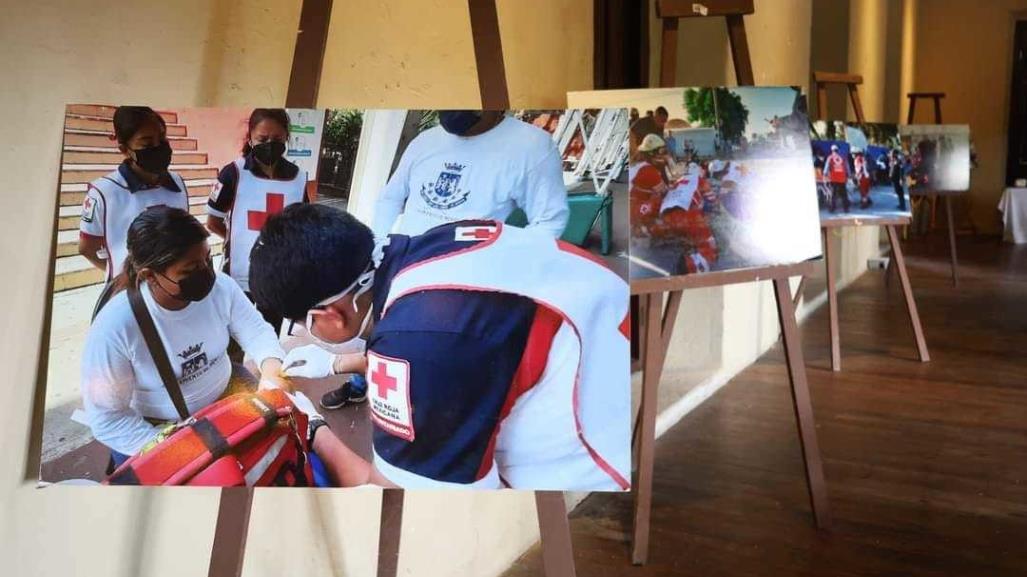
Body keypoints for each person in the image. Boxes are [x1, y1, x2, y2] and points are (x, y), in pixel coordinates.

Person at [248, 203, 630, 490]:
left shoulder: (420, 341)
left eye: (303, 324)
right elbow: (467, 339)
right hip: (608, 373)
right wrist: (338, 364)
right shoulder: (428, 245)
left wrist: (313, 428)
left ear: (328, 314)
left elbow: (393, 496)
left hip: (589, 471)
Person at [80, 207, 289, 467]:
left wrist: (271, 372)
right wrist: (182, 450)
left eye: (207, 259)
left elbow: (257, 332)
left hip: (228, 394)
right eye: (190, 270)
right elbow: (108, 419)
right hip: (159, 430)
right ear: (149, 275)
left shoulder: (221, 288)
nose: (206, 273)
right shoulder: (115, 327)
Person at [371, 110, 569, 240]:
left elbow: (549, 221)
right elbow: (390, 198)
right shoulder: (426, 140)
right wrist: (379, 247)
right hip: (404, 265)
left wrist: (504, 265)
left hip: (466, 275)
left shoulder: (531, 147)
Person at [79, 106, 190, 316]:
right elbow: (87, 247)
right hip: (128, 298)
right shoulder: (104, 192)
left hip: (172, 294)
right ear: (125, 149)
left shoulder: (177, 184)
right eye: (147, 143)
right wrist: (124, 272)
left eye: (162, 139)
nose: (158, 147)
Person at [207, 108, 310, 333]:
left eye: (277, 139)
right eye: (262, 139)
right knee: (232, 333)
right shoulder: (233, 173)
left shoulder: (297, 178)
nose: (270, 144)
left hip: (276, 273)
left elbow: (302, 224)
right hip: (237, 270)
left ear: (286, 138)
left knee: (268, 332)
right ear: (250, 138)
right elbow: (212, 221)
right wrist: (234, 241)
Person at [826, 144, 851, 213]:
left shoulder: (830, 157)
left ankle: (832, 209)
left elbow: (826, 168)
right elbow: (847, 167)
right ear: (838, 150)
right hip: (842, 179)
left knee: (833, 194)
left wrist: (825, 174)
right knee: (844, 194)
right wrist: (849, 175)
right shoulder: (843, 157)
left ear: (832, 150)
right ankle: (846, 209)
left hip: (833, 179)